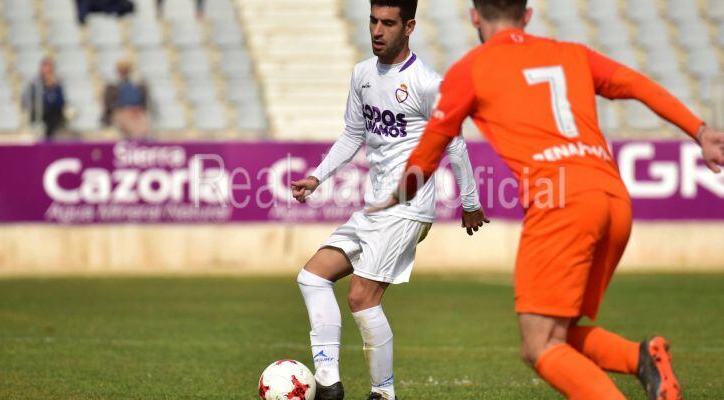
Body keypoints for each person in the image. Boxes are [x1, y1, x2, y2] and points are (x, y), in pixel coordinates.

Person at [382, 0, 724, 399]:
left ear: (475, 16)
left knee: (540, 345)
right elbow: (636, 83)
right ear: (527, 16)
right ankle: (642, 357)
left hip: (562, 203)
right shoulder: (572, 54)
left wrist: (393, 196)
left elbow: (426, 155)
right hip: (613, 200)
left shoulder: (470, 69)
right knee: (555, 333)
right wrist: (699, 131)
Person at [289, 1, 488, 399]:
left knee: (362, 296)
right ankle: (328, 382)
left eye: (388, 23)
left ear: (409, 26)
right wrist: (317, 176)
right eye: (373, 21)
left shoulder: (427, 84)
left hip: (409, 207)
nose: (377, 31)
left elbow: (456, 146)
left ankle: (383, 394)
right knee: (312, 277)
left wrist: (470, 201)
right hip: (374, 207)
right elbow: (351, 135)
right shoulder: (363, 74)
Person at [102, 59, 151, 140]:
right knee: (135, 129)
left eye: (125, 70)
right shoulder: (113, 86)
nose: (124, 72)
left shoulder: (137, 84)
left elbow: (143, 101)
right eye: (122, 70)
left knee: (144, 127)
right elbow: (109, 104)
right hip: (122, 112)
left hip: (137, 112)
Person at [21, 57, 67, 140]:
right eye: (46, 67)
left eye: (50, 68)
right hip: (37, 117)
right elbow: (27, 101)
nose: (48, 71)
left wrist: (53, 87)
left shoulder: (57, 85)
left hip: (53, 118)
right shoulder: (34, 84)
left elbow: (61, 102)